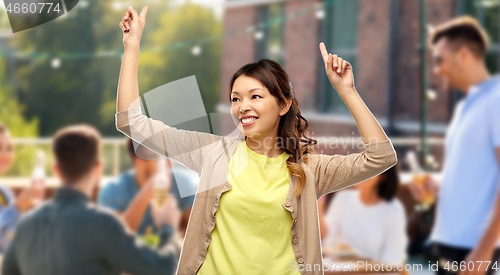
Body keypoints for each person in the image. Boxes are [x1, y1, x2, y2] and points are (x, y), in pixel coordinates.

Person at [116, 6, 397, 274]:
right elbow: (132, 122)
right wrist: (132, 46)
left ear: (284, 105)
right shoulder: (213, 153)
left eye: (255, 96)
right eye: (235, 99)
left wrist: (347, 91)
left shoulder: (309, 169)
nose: (242, 106)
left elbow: (381, 158)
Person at [2, 124, 181, 275]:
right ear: (98, 168)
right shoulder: (103, 224)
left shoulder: (26, 226)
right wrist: (168, 227)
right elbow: (163, 268)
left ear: (56, 169)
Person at [412, 16, 500, 275]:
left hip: (477, 250)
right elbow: (476, 172)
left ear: (463, 54)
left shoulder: (497, 99)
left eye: (440, 59)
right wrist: (438, 186)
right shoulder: (465, 106)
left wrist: (483, 251)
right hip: (448, 244)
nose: (437, 70)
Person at [98, 138, 196, 241]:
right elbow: (114, 237)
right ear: (139, 161)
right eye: (162, 157)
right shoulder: (113, 191)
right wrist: (151, 187)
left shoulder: (182, 183)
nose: (170, 163)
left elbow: (196, 235)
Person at [323, 165, 408, 265]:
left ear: (384, 175)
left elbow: (392, 262)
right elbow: (326, 238)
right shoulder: (342, 198)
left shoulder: (393, 211)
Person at [0, 123, 44, 253]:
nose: (5, 154)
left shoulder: (5, 193)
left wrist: (30, 211)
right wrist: (17, 207)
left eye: (9, 148)